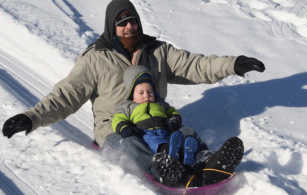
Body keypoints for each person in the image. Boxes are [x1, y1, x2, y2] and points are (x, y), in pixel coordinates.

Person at [2, 0, 265, 188]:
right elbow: (66, 95)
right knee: (131, 145)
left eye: (133, 21)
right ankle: (162, 169)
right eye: (122, 23)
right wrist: (32, 117)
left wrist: (232, 63)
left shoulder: (157, 51)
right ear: (111, 27)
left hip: (157, 120)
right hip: (117, 128)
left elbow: (195, 65)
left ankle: (208, 162)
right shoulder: (94, 59)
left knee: (184, 135)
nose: (129, 27)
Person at [112, 66, 199, 166]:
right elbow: (117, 119)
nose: (146, 95)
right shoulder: (127, 107)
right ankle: (167, 153)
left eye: (150, 92)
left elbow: (172, 111)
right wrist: (124, 128)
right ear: (132, 95)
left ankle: (186, 155)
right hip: (145, 133)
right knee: (154, 141)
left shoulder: (161, 104)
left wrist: (174, 119)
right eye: (141, 93)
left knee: (177, 138)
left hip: (165, 131)